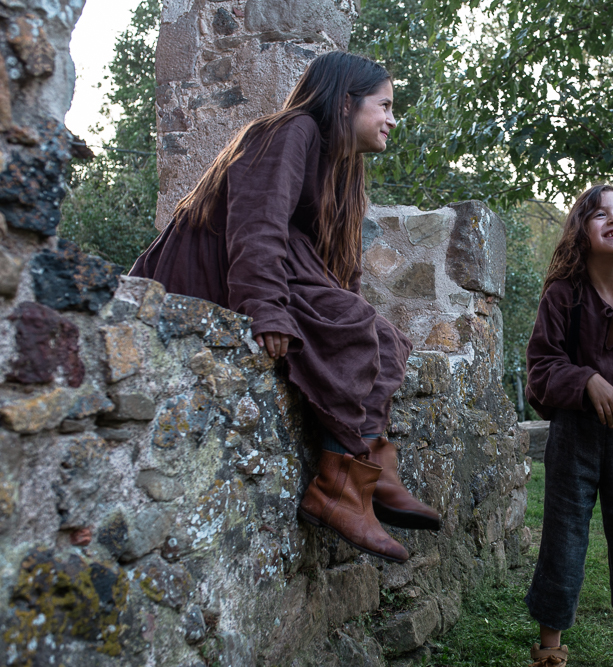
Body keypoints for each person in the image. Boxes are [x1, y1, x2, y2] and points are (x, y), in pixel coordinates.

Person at [130, 52, 440, 564]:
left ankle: (368, 468)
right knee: (353, 324)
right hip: (212, 264)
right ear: (346, 103)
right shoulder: (291, 131)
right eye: (384, 106)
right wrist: (265, 307)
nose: (392, 119)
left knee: (384, 337)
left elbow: (340, 268)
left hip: (284, 269)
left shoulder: (346, 169)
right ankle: (339, 488)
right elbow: (257, 223)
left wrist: (352, 311)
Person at [523, 184, 613, 667]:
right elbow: (541, 367)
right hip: (573, 438)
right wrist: (586, 380)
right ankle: (549, 652)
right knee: (563, 539)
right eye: (600, 214)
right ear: (580, 231)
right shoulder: (562, 295)